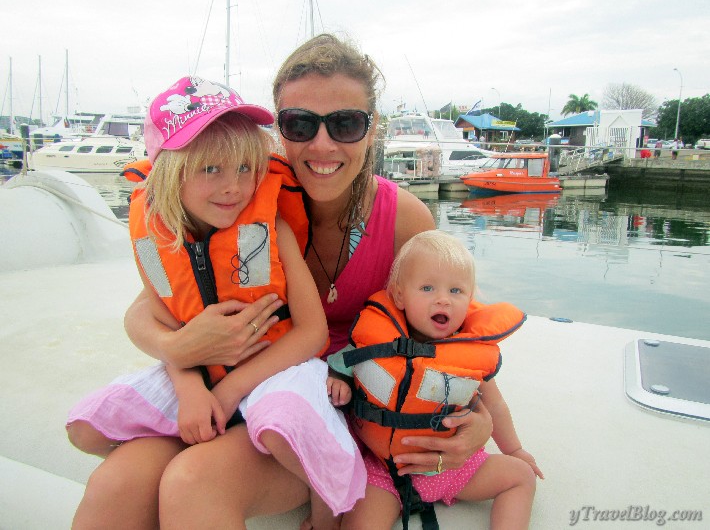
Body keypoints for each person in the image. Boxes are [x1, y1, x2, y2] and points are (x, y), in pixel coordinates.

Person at [72, 34, 493, 530]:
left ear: (372, 127)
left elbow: (457, 328)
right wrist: (179, 348)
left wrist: (480, 421)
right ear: (279, 129)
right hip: (224, 389)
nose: (322, 144)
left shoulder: (403, 220)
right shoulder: (233, 208)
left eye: (345, 123)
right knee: (116, 485)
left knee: (194, 481)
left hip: (330, 410)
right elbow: (149, 308)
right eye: (300, 124)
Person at [67, 75, 365, 529]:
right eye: (212, 170)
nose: (234, 188)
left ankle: (321, 482)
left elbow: (312, 332)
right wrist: (191, 392)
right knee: (93, 444)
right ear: (170, 171)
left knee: (222, 462)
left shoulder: (270, 231)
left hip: (271, 380)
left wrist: (226, 393)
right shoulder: (156, 240)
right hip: (199, 381)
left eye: (246, 169)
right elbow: (164, 319)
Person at [330, 230, 542, 529]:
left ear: (469, 299)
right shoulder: (374, 343)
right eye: (428, 288)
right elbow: (341, 365)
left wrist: (514, 450)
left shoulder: (469, 354)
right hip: (387, 472)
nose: (443, 300)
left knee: (521, 476)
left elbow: (495, 406)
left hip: (458, 467)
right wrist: (337, 379)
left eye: (456, 291)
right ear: (400, 295)